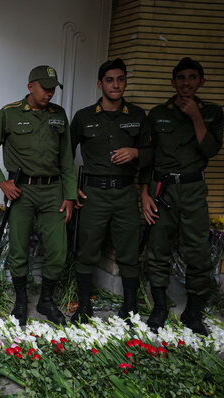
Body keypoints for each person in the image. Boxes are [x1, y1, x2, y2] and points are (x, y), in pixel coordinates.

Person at [0, 65, 76, 326]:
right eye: (45, 88)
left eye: (53, 88)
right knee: (19, 249)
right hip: (22, 191)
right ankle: (21, 301)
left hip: (54, 191)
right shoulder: (9, 113)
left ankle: (46, 301)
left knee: (58, 250)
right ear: (30, 86)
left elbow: (67, 159)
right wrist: (1, 182)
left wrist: (69, 196)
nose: (50, 93)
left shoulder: (59, 115)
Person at [140, 57, 224, 336]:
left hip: (193, 189)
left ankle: (193, 312)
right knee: (157, 250)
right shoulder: (157, 114)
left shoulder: (212, 112)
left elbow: (210, 150)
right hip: (162, 189)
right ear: (173, 82)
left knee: (198, 251)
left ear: (201, 81)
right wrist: (144, 193)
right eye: (181, 78)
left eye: (192, 77)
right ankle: (160, 307)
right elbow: (148, 158)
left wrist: (196, 117)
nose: (186, 83)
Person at [69, 59, 150, 324]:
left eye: (120, 79)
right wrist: (71, 190)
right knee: (87, 249)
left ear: (125, 82)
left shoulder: (138, 116)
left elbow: (153, 154)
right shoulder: (84, 117)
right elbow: (64, 156)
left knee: (129, 249)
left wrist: (136, 151)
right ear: (100, 84)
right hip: (93, 194)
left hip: (126, 193)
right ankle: (83, 305)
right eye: (110, 80)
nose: (116, 85)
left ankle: (129, 307)